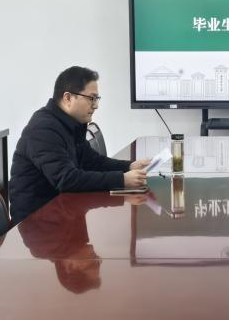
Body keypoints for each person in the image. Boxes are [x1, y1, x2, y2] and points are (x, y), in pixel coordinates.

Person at [9, 66, 151, 223]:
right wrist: (121, 179)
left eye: (97, 99)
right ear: (68, 98)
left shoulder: (71, 123)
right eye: (91, 98)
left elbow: (92, 161)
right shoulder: (43, 129)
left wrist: (129, 166)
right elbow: (67, 179)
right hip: (36, 222)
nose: (96, 105)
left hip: (62, 211)